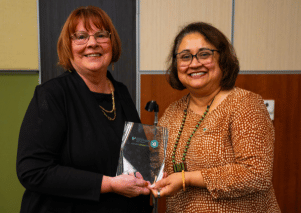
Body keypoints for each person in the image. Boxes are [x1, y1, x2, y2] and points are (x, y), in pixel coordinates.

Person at [17, 6, 152, 213]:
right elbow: (33, 171)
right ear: (68, 46)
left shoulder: (121, 92)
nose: (92, 43)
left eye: (101, 35)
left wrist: (152, 174)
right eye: (80, 36)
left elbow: (136, 160)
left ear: (111, 42)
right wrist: (110, 184)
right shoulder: (52, 95)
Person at [149, 22, 281, 212]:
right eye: (185, 57)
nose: (194, 63)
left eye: (204, 54)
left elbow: (256, 174)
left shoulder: (245, 104)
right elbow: (156, 165)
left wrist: (187, 179)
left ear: (223, 59)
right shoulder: (172, 112)